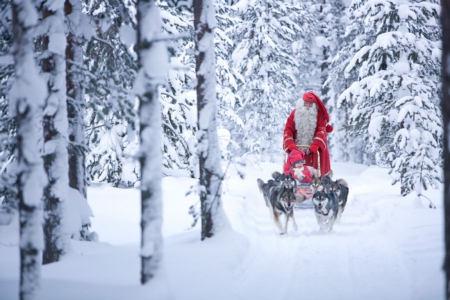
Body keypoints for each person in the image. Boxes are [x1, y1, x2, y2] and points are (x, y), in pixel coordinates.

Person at [283, 91, 333, 176]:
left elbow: (321, 130)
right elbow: (288, 129)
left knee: (316, 173)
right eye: (306, 103)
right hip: (297, 149)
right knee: (294, 172)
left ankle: (319, 182)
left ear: (314, 105)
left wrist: (316, 144)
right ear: (302, 103)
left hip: (314, 151)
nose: (308, 106)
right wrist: (290, 143)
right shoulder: (295, 113)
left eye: (310, 104)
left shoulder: (319, 115)